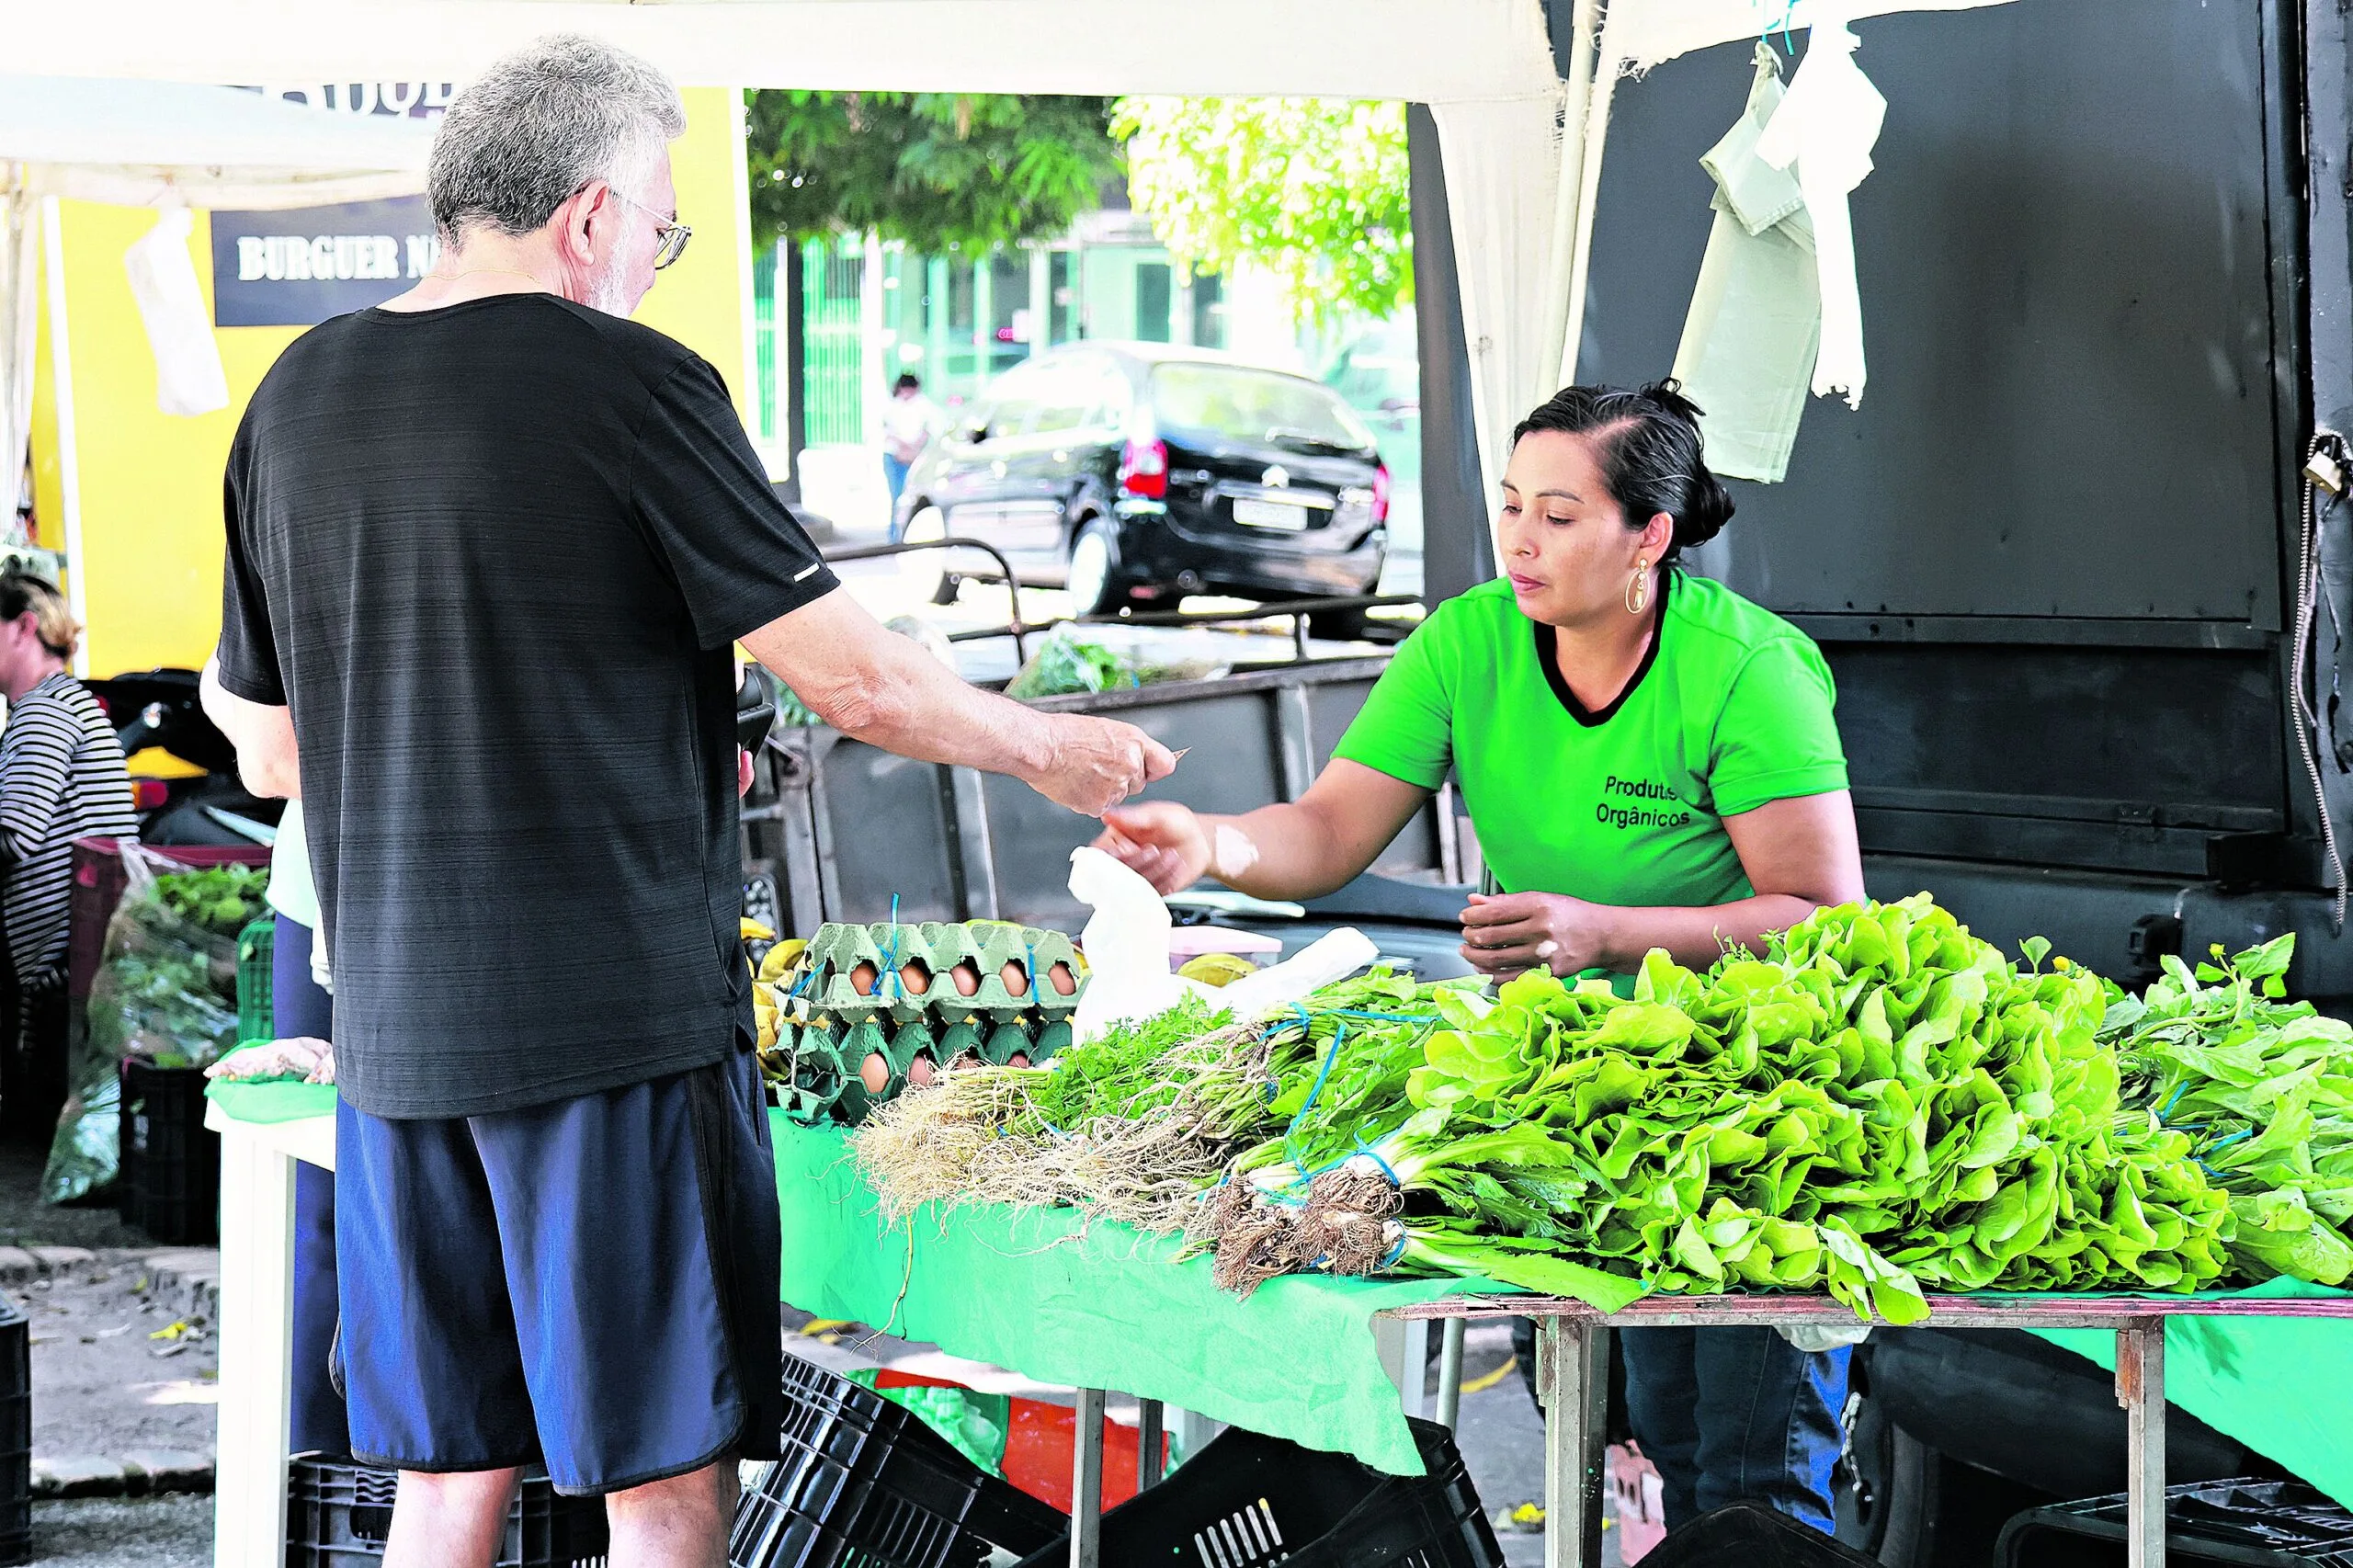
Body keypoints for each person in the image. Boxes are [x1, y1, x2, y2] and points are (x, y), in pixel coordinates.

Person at [199, 35, 1174, 1568]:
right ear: (590, 216)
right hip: (612, 1029)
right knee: (661, 1480)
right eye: (661, 224)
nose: (658, 256)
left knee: (448, 1473)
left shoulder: (298, 393)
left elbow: (257, 742)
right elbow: (858, 683)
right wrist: (1049, 748)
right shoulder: (632, 383)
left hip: (393, 1033)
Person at [1094, 381, 1865, 1534]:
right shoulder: (1467, 644)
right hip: (1583, 1100)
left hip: (1760, 1106)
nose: (1519, 538)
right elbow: (1330, 830)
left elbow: (1820, 916)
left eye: (1559, 515)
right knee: (1658, 1430)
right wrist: (1211, 842)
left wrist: (1602, 930)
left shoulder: (1750, 670)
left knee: (1752, 1472)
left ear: (1648, 535)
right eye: (1510, 505)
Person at [0, 574, 135, 1132]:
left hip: (56, 954)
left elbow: (15, 839)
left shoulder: (41, 714)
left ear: (23, 627)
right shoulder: (70, 702)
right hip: (84, 938)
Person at [881, 371, 938, 528]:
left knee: (911, 497)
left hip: (914, 456)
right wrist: (905, 447)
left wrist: (913, 448)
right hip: (894, 455)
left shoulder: (924, 406)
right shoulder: (891, 406)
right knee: (896, 496)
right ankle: (895, 535)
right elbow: (886, 432)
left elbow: (930, 429)